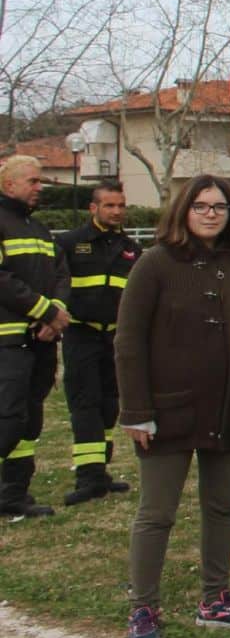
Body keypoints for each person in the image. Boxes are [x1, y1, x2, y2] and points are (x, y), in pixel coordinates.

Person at [116, 177, 230, 638]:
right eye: (201, 206)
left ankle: (216, 597)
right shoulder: (154, 264)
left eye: (220, 207)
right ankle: (143, 605)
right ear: (184, 211)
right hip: (168, 410)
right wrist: (137, 411)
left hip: (228, 408)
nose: (210, 214)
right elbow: (128, 341)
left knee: (222, 505)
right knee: (157, 512)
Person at [56, 180, 138, 505]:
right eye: (109, 205)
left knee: (108, 405)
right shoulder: (70, 243)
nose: (116, 211)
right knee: (85, 404)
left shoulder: (131, 248)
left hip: (114, 337)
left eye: (120, 205)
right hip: (81, 333)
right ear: (94, 208)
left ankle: (99, 471)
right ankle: (88, 478)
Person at [0, 155, 70, 518]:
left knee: (30, 420)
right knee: (7, 417)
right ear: (9, 185)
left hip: (42, 340)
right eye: (33, 181)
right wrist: (45, 311)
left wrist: (55, 315)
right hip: (8, 342)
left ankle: (14, 492)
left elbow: (61, 274)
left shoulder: (40, 230)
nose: (39, 188)